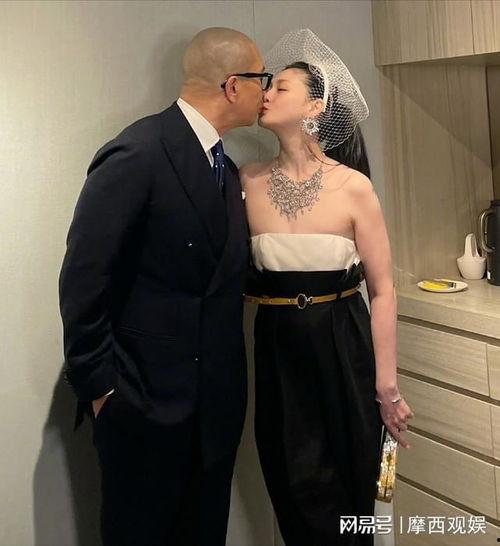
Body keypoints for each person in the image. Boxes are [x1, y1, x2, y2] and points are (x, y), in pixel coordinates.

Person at [58, 27, 271, 546]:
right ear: (232, 86)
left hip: (214, 412)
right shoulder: (139, 151)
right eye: (260, 79)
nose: (265, 91)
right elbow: (83, 278)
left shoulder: (226, 168)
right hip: (142, 406)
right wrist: (103, 391)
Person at [241, 29, 414, 546]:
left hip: (343, 344)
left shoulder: (354, 186)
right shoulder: (246, 181)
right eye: (267, 85)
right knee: (291, 481)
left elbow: (383, 290)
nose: (266, 93)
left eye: (281, 87)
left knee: (354, 476)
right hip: (278, 350)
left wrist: (387, 387)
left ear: (316, 106)